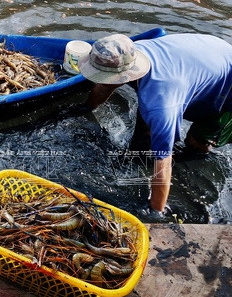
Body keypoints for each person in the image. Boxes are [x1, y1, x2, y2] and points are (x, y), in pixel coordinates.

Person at [80, 33, 232, 215]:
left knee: (195, 142)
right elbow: (106, 84)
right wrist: (84, 110)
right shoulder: (131, 52)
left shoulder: (161, 104)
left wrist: (155, 211)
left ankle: (193, 160)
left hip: (227, 82)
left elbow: (163, 161)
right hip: (208, 56)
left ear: (126, 73)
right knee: (145, 129)